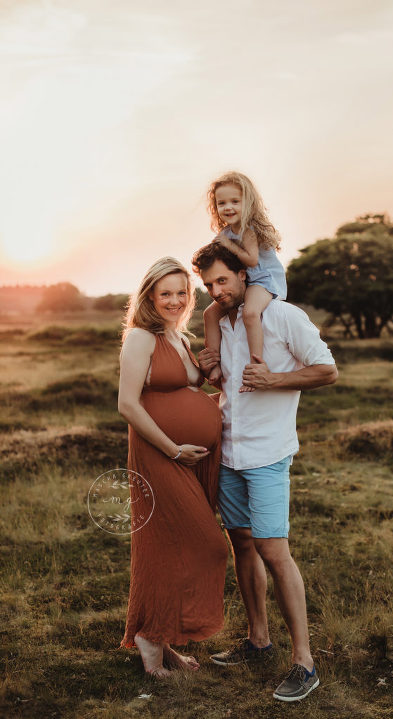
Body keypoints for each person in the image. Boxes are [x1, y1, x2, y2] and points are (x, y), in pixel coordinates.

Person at [191, 243, 338, 702]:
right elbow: (227, 387)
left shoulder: (283, 316)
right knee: (242, 544)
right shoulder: (224, 321)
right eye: (209, 285)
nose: (216, 291)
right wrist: (208, 369)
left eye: (223, 281)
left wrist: (276, 379)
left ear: (244, 274)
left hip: (269, 454)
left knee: (275, 552)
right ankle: (258, 641)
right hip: (229, 452)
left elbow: (327, 371)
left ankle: (304, 662)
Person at [118, 257, 228, 678]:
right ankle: (148, 638)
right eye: (166, 293)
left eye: (182, 292)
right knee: (205, 545)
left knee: (172, 547)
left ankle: (163, 643)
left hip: (187, 456)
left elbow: (188, 391)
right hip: (158, 454)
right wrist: (171, 448)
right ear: (149, 295)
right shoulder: (141, 338)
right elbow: (127, 404)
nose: (175, 300)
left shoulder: (179, 338)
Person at [203, 171, 287, 392]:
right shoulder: (226, 233)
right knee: (209, 314)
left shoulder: (249, 232)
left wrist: (227, 244)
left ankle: (256, 366)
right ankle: (215, 365)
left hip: (263, 280)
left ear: (247, 202)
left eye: (234, 201)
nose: (228, 207)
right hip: (245, 281)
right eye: (222, 203)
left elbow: (251, 260)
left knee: (250, 313)